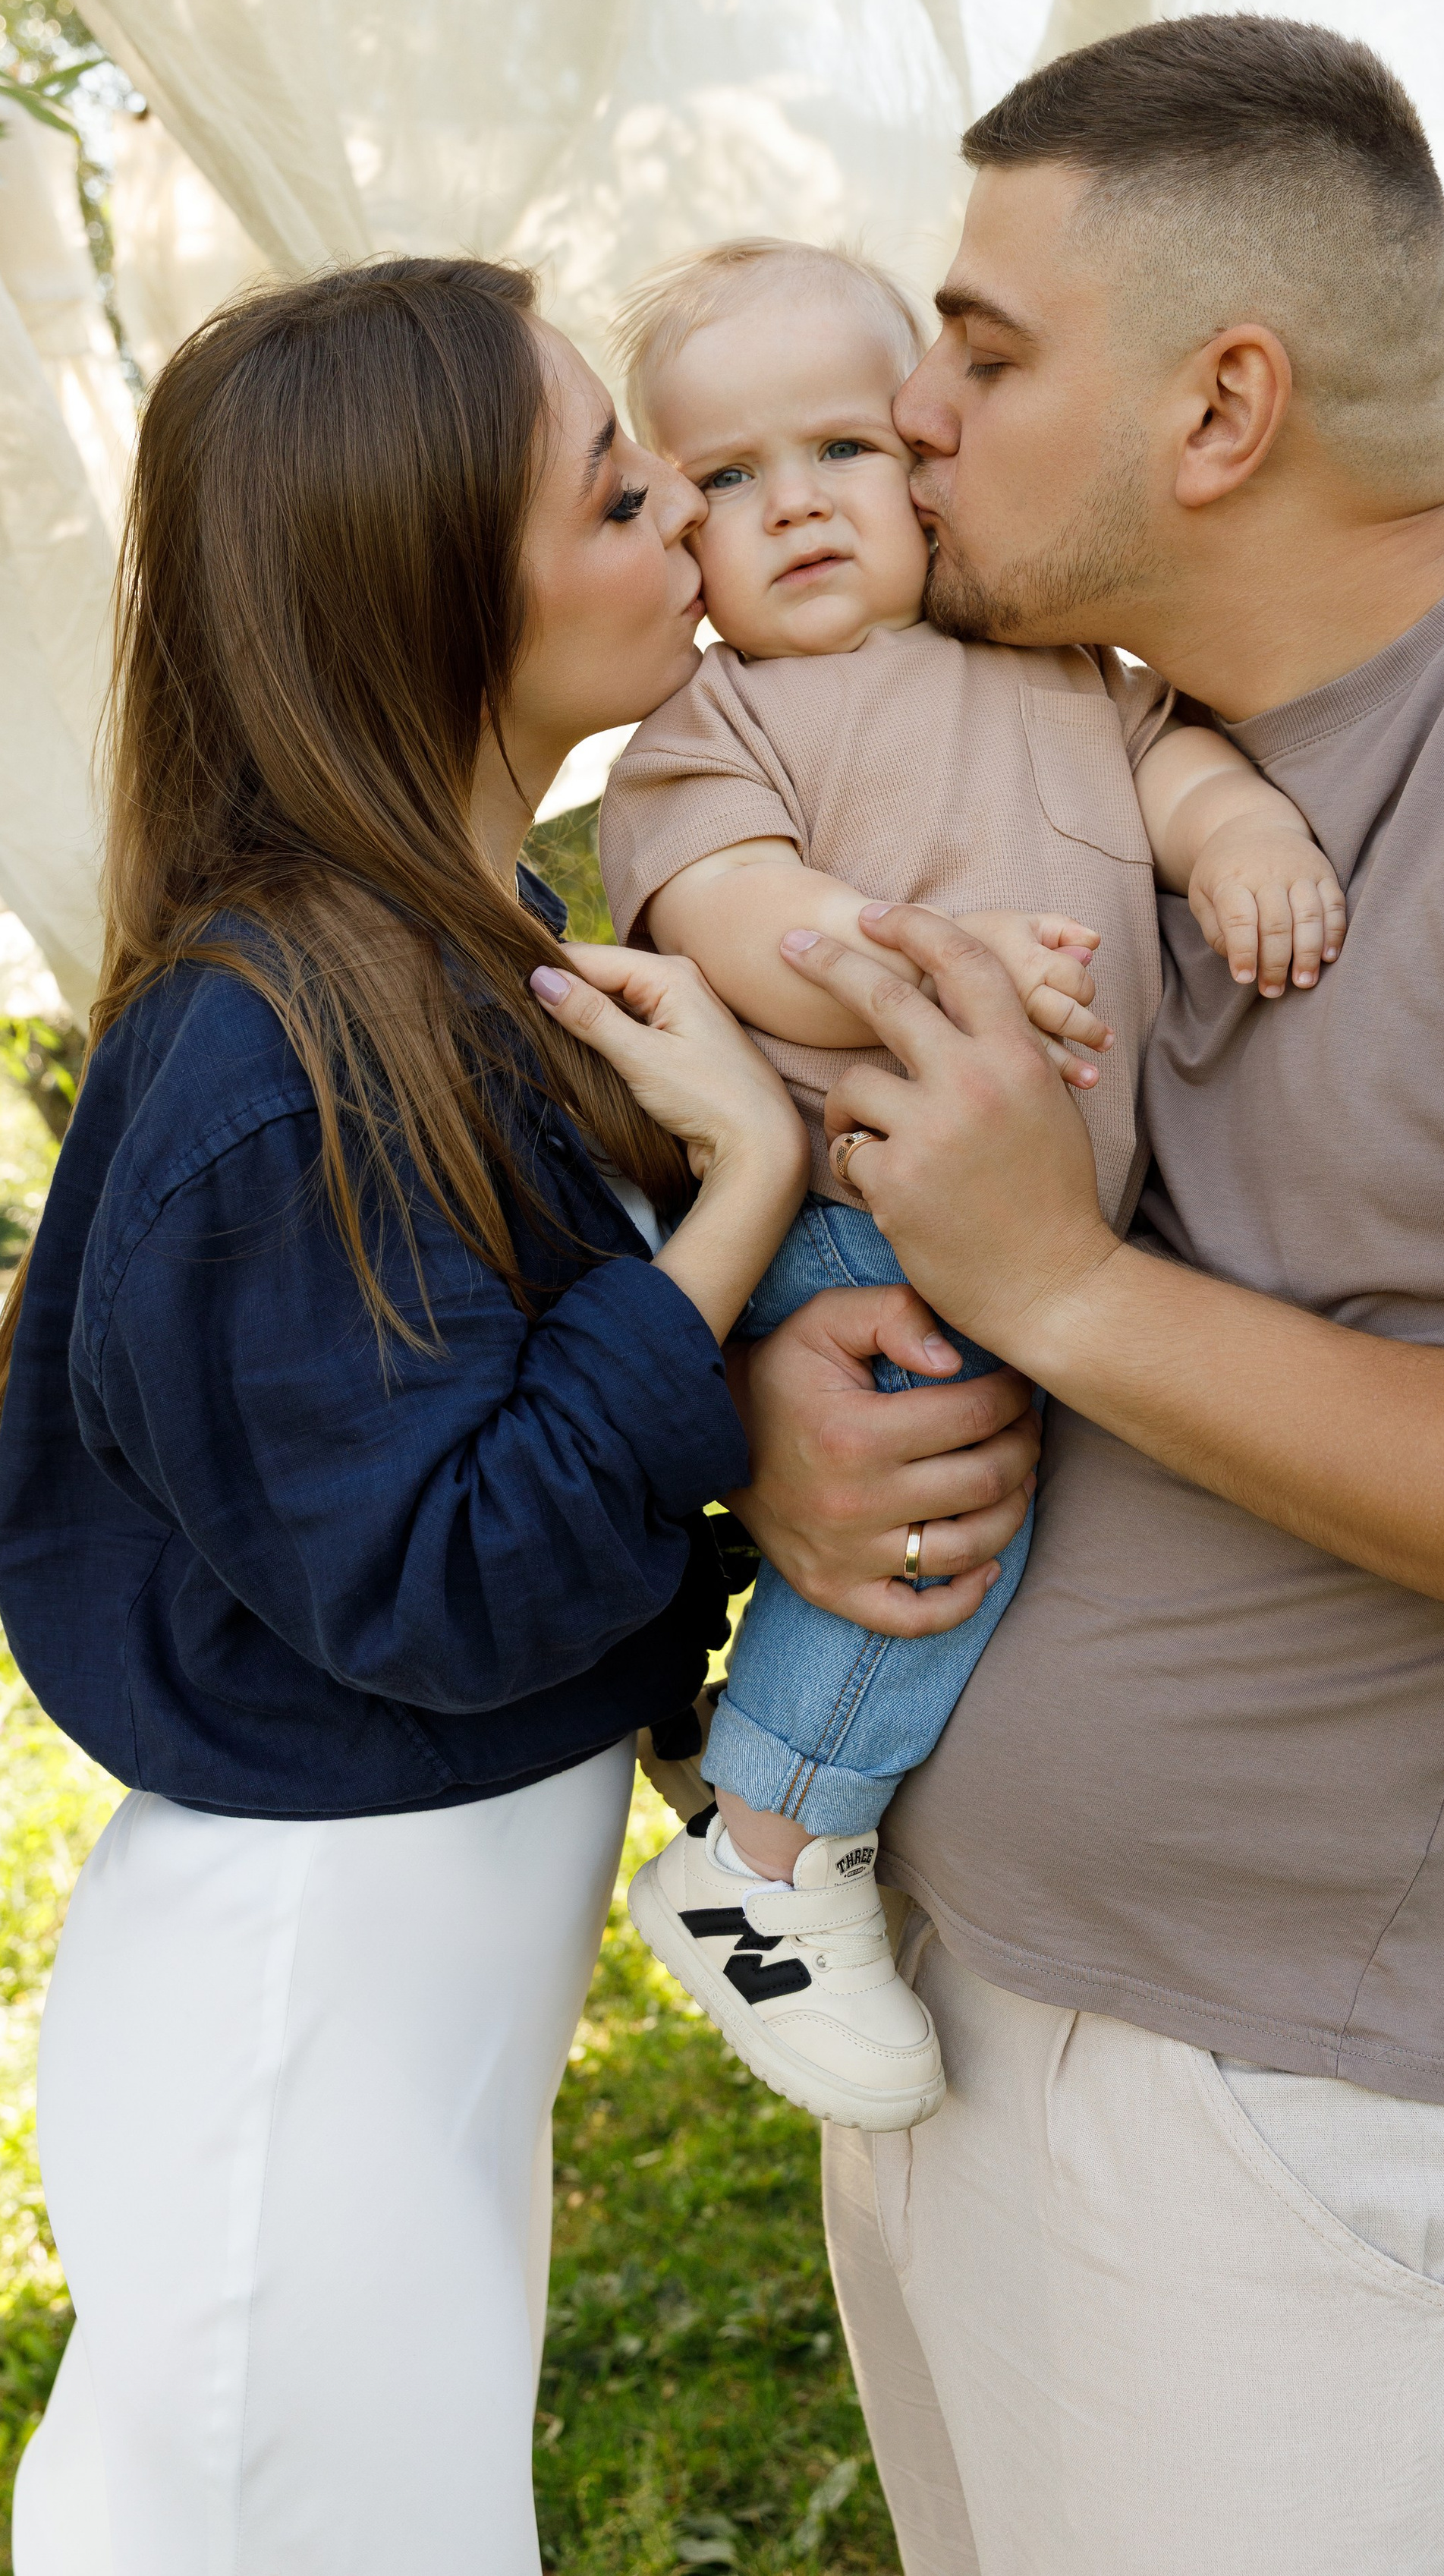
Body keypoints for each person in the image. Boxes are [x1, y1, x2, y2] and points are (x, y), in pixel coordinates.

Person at [681, 17, 1444, 2573]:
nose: (907, 413)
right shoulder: (1034, 738)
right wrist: (797, 1396)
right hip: (933, 2012)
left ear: (1223, 408)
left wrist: (1053, 1288)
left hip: (1300, 2134)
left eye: (976, 354)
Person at [0, 254, 828, 2576]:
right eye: (616, 486)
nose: (688, 514)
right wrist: (741, 1197)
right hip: (305, 2014)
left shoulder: (464, 958)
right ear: (433, 581)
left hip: (404, 2009)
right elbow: (443, 1572)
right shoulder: (274, 1048)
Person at [590, 234, 1344, 2134]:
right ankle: (762, 1856)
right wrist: (912, 953)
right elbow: (732, 917)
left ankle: (743, 1766)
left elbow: (1173, 776)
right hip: (866, 1204)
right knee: (935, 1511)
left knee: (994, 1495)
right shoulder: (711, 727)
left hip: (1038, 1218)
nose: (799, 509)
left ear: (924, 458)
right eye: (728, 483)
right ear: (674, 534)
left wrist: (1239, 827)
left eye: (840, 449)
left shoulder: (1051, 662)